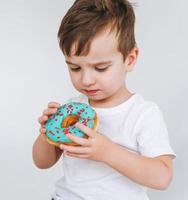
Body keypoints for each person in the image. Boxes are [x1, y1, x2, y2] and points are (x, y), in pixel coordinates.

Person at [32, 0, 176, 199]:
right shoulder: (74, 108)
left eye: (100, 68)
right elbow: (42, 162)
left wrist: (108, 152)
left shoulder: (143, 114)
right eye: (75, 68)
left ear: (130, 59)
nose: (86, 80)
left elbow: (162, 177)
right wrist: (46, 135)